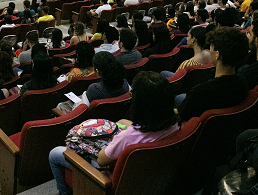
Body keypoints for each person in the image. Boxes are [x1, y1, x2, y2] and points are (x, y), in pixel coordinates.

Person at [49, 71, 179, 195]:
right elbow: (136, 129)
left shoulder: (127, 138)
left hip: (107, 182)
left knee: (55, 154)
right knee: (120, 122)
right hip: (150, 179)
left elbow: (101, 160)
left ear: (140, 104)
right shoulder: (175, 122)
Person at [176, 27, 249, 122]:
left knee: (178, 98)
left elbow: (180, 116)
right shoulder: (243, 82)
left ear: (217, 54)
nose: (209, 50)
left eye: (211, 46)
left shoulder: (199, 93)